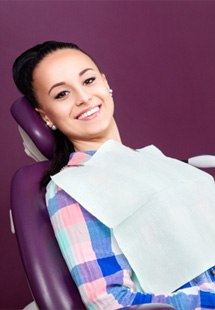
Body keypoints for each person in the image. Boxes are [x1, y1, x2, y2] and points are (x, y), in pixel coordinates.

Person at [12, 41, 215, 310]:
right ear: (46, 116)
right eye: (62, 94)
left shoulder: (158, 162)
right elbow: (109, 301)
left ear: (105, 83)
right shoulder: (72, 189)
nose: (84, 97)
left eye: (89, 80)